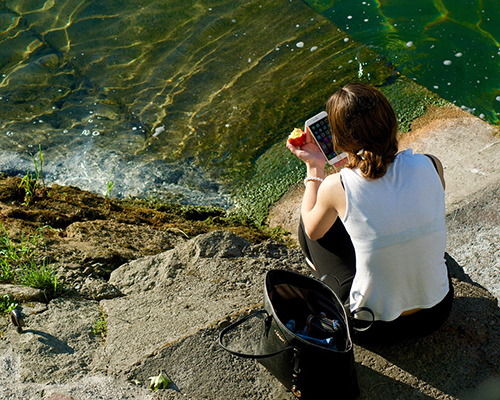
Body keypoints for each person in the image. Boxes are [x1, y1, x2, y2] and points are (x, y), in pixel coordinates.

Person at [286, 83, 453, 344]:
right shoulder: (431, 164)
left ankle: (328, 277)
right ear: (392, 123)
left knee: (311, 218)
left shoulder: (337, 186)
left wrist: (315, 168)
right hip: (438, 310)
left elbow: (312, 230)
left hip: (374, 329)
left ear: (339, 139)